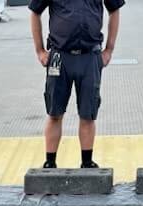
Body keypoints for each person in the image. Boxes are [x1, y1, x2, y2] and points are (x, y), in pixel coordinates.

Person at [29, 0, 122, 169]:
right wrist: (40, 51)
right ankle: (50, 163)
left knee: (88, 114)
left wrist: (109, 49)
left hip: (90, 56)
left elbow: (114, 10)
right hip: (59, 56)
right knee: (54, 112)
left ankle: (87, 163)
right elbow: (35, 12)